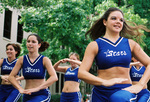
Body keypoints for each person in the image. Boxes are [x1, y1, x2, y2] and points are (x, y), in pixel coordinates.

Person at [78, 7, 150, 102]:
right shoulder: (95, 45)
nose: (118, 22)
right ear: (105, 22)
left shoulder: (130, 44)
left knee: (118, 98)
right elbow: (81, 73)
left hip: (123, 92)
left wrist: (140, 85)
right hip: (100, 92)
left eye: (121, 20)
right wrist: (104, 82)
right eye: (113, 18)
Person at [8, 34, 58, 102]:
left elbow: (54, 77)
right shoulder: (22, 59)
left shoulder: (44, 60)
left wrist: (37, 88)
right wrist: (19, 88)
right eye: (28, 41)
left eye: (33, 42)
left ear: (39, 45)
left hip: (41, 94)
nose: (30, 44)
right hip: (27, 95)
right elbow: (11, 77)